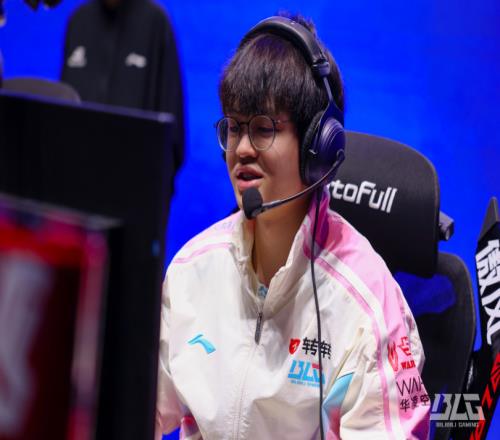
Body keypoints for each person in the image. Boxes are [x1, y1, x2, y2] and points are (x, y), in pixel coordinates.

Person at [156, 13, 430, 440]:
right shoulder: (192, 271)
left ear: (318, 147)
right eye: (234, 128)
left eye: (264, 129)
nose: (241, 149)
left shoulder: (367, 304)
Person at [61, 0, 184, 175]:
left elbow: (173, 127)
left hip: (136, 179)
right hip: (77, 175)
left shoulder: (156, 22)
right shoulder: (78, 21)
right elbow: (63, 114)